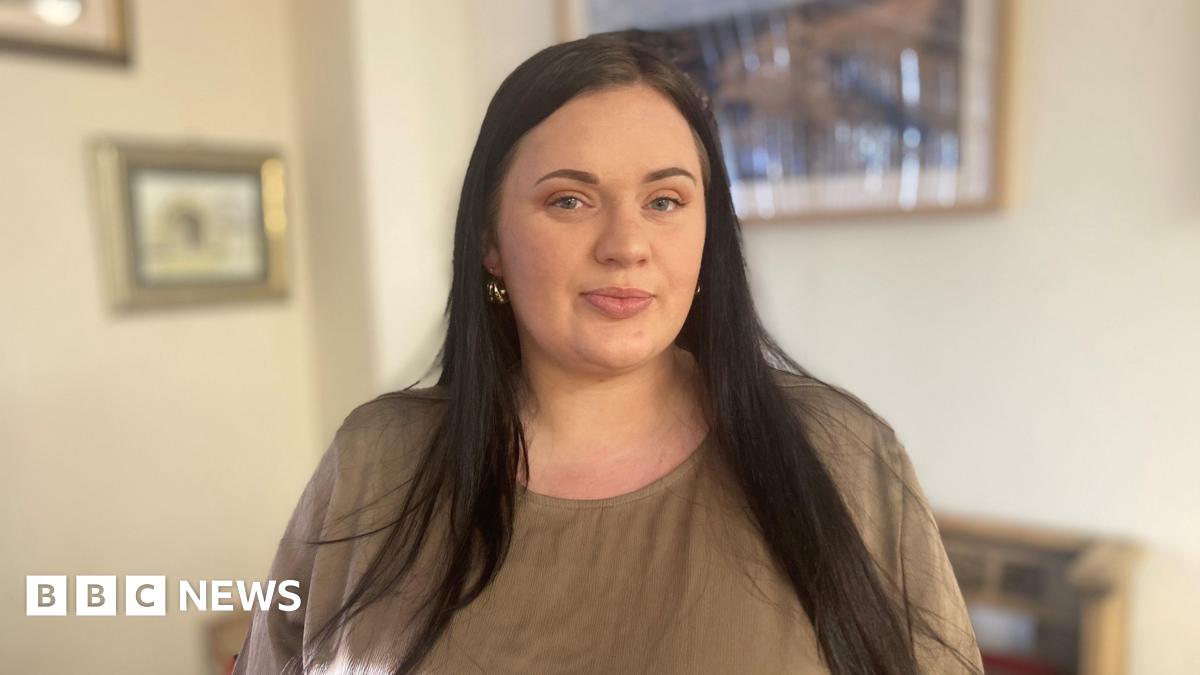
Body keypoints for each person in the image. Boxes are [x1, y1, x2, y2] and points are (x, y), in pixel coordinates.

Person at [233, 31, 983, 675]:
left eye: (665, 201)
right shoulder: (375, 460)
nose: (626, 245)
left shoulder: (844, 454)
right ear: (491, 241)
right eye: (569, 199)